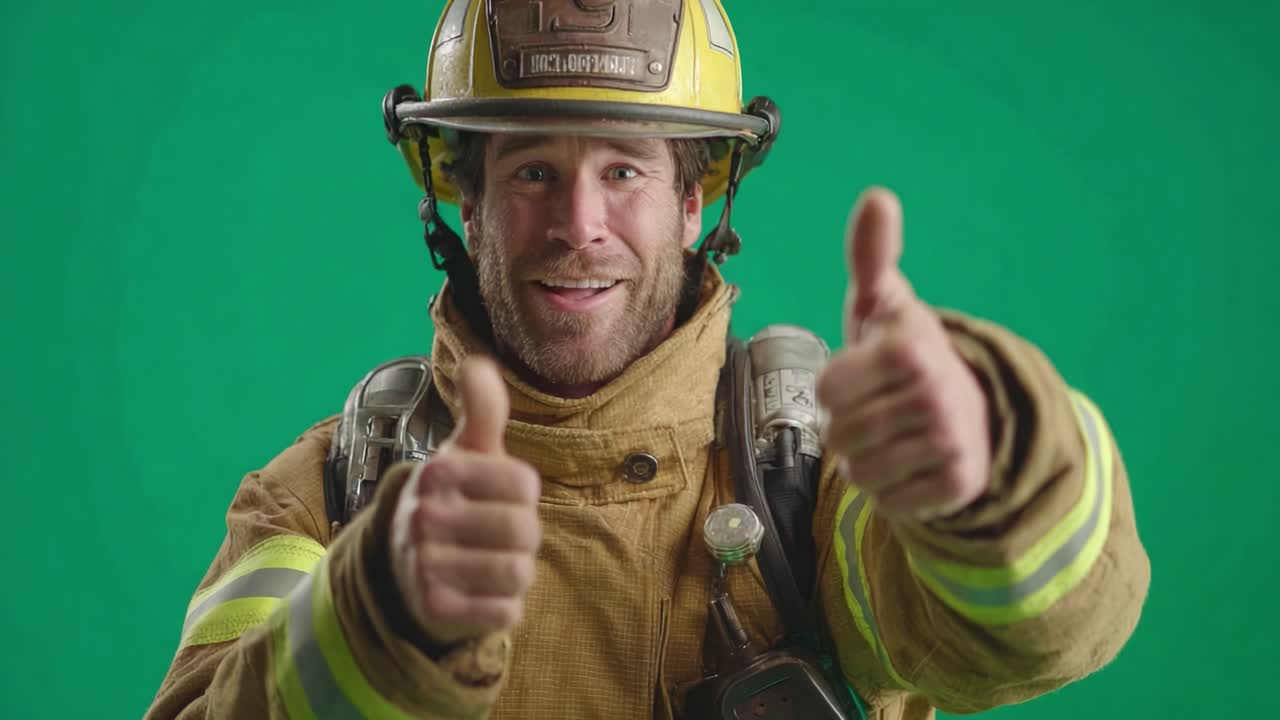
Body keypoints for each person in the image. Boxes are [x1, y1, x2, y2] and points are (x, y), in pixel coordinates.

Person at [146, 1, 1150, 718]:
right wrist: (373, 624)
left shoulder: (814, 478)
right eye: (533, 171)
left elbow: (1037, 634)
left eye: (623, 169)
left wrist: (988, 480)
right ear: (467, 202)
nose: (578, 225)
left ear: (694, 201)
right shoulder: (326, 497)